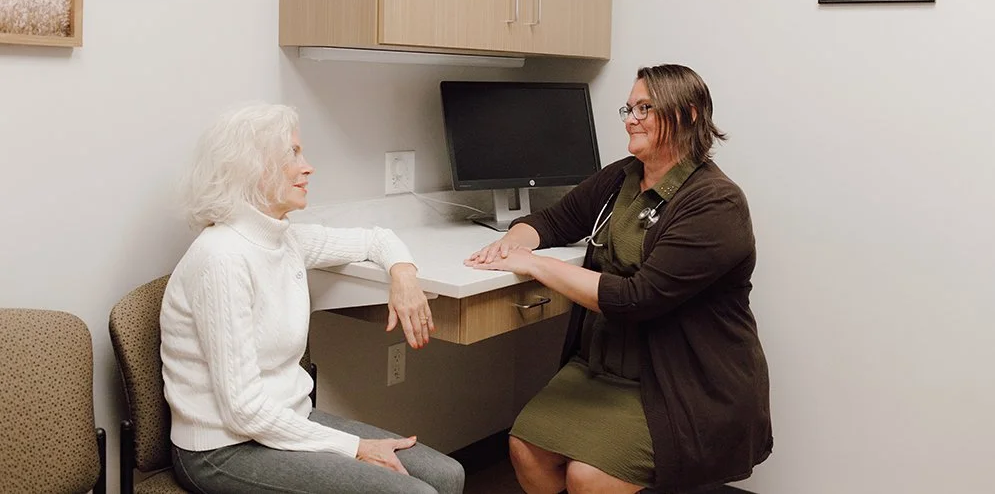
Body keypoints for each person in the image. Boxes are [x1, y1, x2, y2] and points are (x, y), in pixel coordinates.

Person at [466, 65, 772, 494]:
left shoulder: (715, 203)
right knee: (525, 448)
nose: (631, 118)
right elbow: (556, 220)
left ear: (686, 116)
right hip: (602, 365)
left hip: (676, 380)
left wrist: (536, 266)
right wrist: (514, 242)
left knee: (588, 477)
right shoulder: (623, 176)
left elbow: (636, 299)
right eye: (629, 108)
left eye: (645, 108)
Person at [160, 103, 464, 494]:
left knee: (447, 476)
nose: (308, 167)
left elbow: (376, 239)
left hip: (287, 421)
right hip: (222, 450)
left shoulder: (284, 238)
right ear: (253, 168)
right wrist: (354, 447)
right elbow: (242, 409)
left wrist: (403, 274)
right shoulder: (221, 257)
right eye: (294, 154)